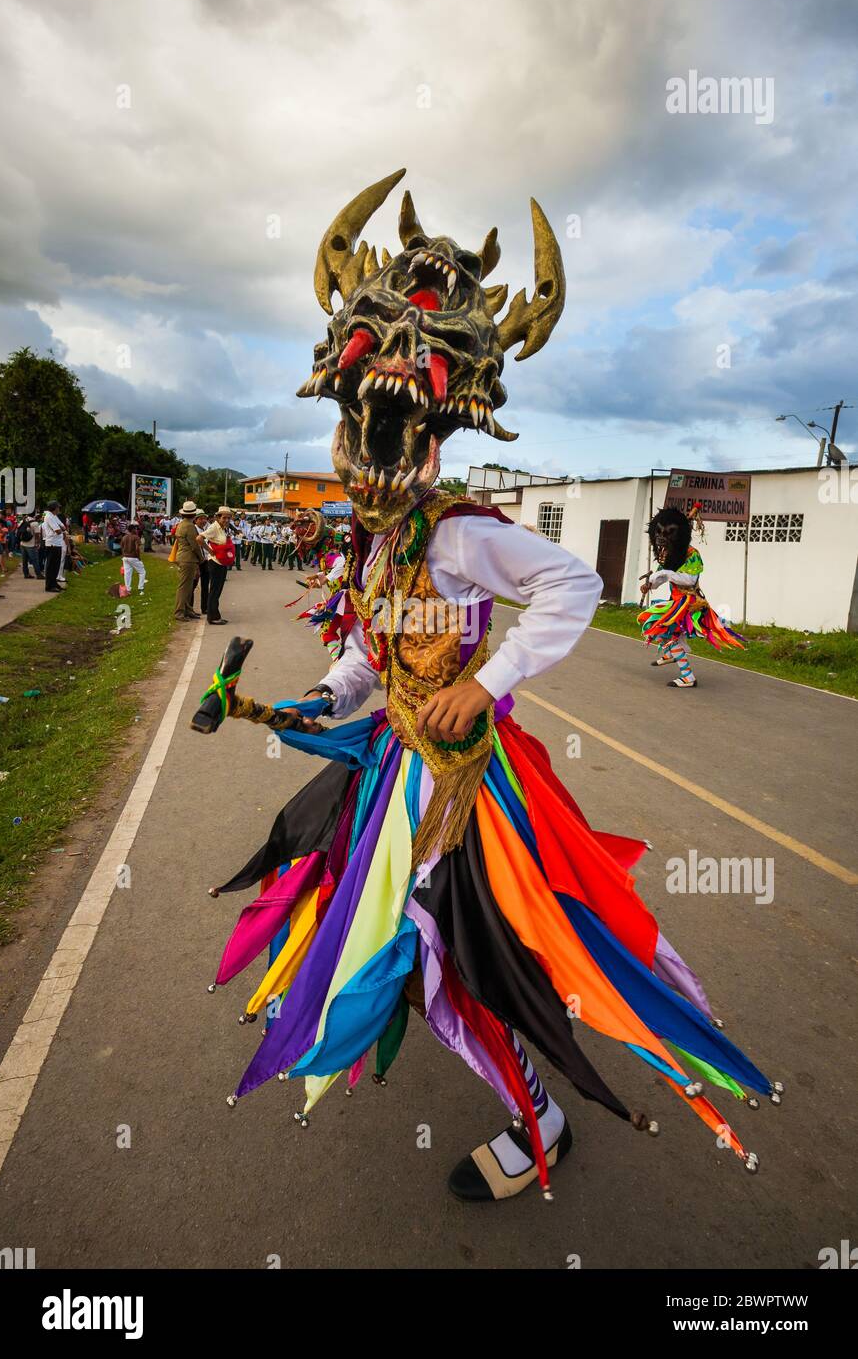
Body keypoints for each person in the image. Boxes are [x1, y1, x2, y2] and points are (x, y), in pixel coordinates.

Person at [204, 172, 776, 1204]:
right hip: (393, 772)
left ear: (430, 436)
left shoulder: (462, 533)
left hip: (465, 783)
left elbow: (576, 584)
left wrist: (494, 679)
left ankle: (542, 1122)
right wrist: (321, 702)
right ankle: (487, 1056)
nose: (375, 451)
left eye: (396, 433)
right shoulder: (371, 542)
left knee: (479, 945)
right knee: (387, 922)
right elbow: (364, 658)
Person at [638, 505, 745, 688]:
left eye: (668, 533)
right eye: (660, 532)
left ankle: (688, 677)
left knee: (663, 630)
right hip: (675, 602)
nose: (662, 538)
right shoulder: (667, 554)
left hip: (688, 603)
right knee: (652, 623)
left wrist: (665, 574)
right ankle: (673, 653)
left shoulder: (692, 554)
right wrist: (650, 585)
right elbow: (660, 577)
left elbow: (689, 580)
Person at [201, 507, 235, 624]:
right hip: (215, 562)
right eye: (224, 517)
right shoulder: (214, 527)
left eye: (228, 518)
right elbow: (199, 538)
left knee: (218, 590)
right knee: (215, 590)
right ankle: (213, 617)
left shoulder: (223, 528)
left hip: (221, 562)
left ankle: (215, 615)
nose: (226, 520)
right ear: (218, 517)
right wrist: (210, 551)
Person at [172, 501, 202, 621]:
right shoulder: (190, 526)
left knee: (188, 586)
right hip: (188, 559)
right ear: (194, 514)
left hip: (183, 558)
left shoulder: (181, 524)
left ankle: (188, 609)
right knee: (184, 587)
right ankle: (179, 612)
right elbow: (194, 545)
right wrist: (201, 558)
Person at [41, 501, 66, 593]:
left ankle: (54, 583)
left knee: (56, 566)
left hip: (57, 543)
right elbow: (58, 530)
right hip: (52, 544)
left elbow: (63, 527)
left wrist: (62, 530)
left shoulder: (54, 516)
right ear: (54, 508)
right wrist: (62, 530)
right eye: (58, 507)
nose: (59, 509)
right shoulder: (49, 516)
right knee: (51, 566)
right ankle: (49, 586)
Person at [120, 522, 147, 595]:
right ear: (132, 530)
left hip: (125, 557)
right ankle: (140, 588)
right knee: (142, 572)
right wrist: (139, 557)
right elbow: (137, 548)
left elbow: (122, 547)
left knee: (127, 574)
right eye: (135, 529)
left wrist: (123, 555)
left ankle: (128, 589)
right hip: (133, 557)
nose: (136, 530)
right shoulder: (136, 537)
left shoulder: (124, 537)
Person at [17, 514, 42, 579]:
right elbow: (37, 534)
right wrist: (38, 543)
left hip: (22, 543)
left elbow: (18, 530)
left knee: (24, 561)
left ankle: (26, 574)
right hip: (31, 545)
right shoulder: (35, 523)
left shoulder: (23, 521)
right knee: (35, 560)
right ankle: (39, 575)